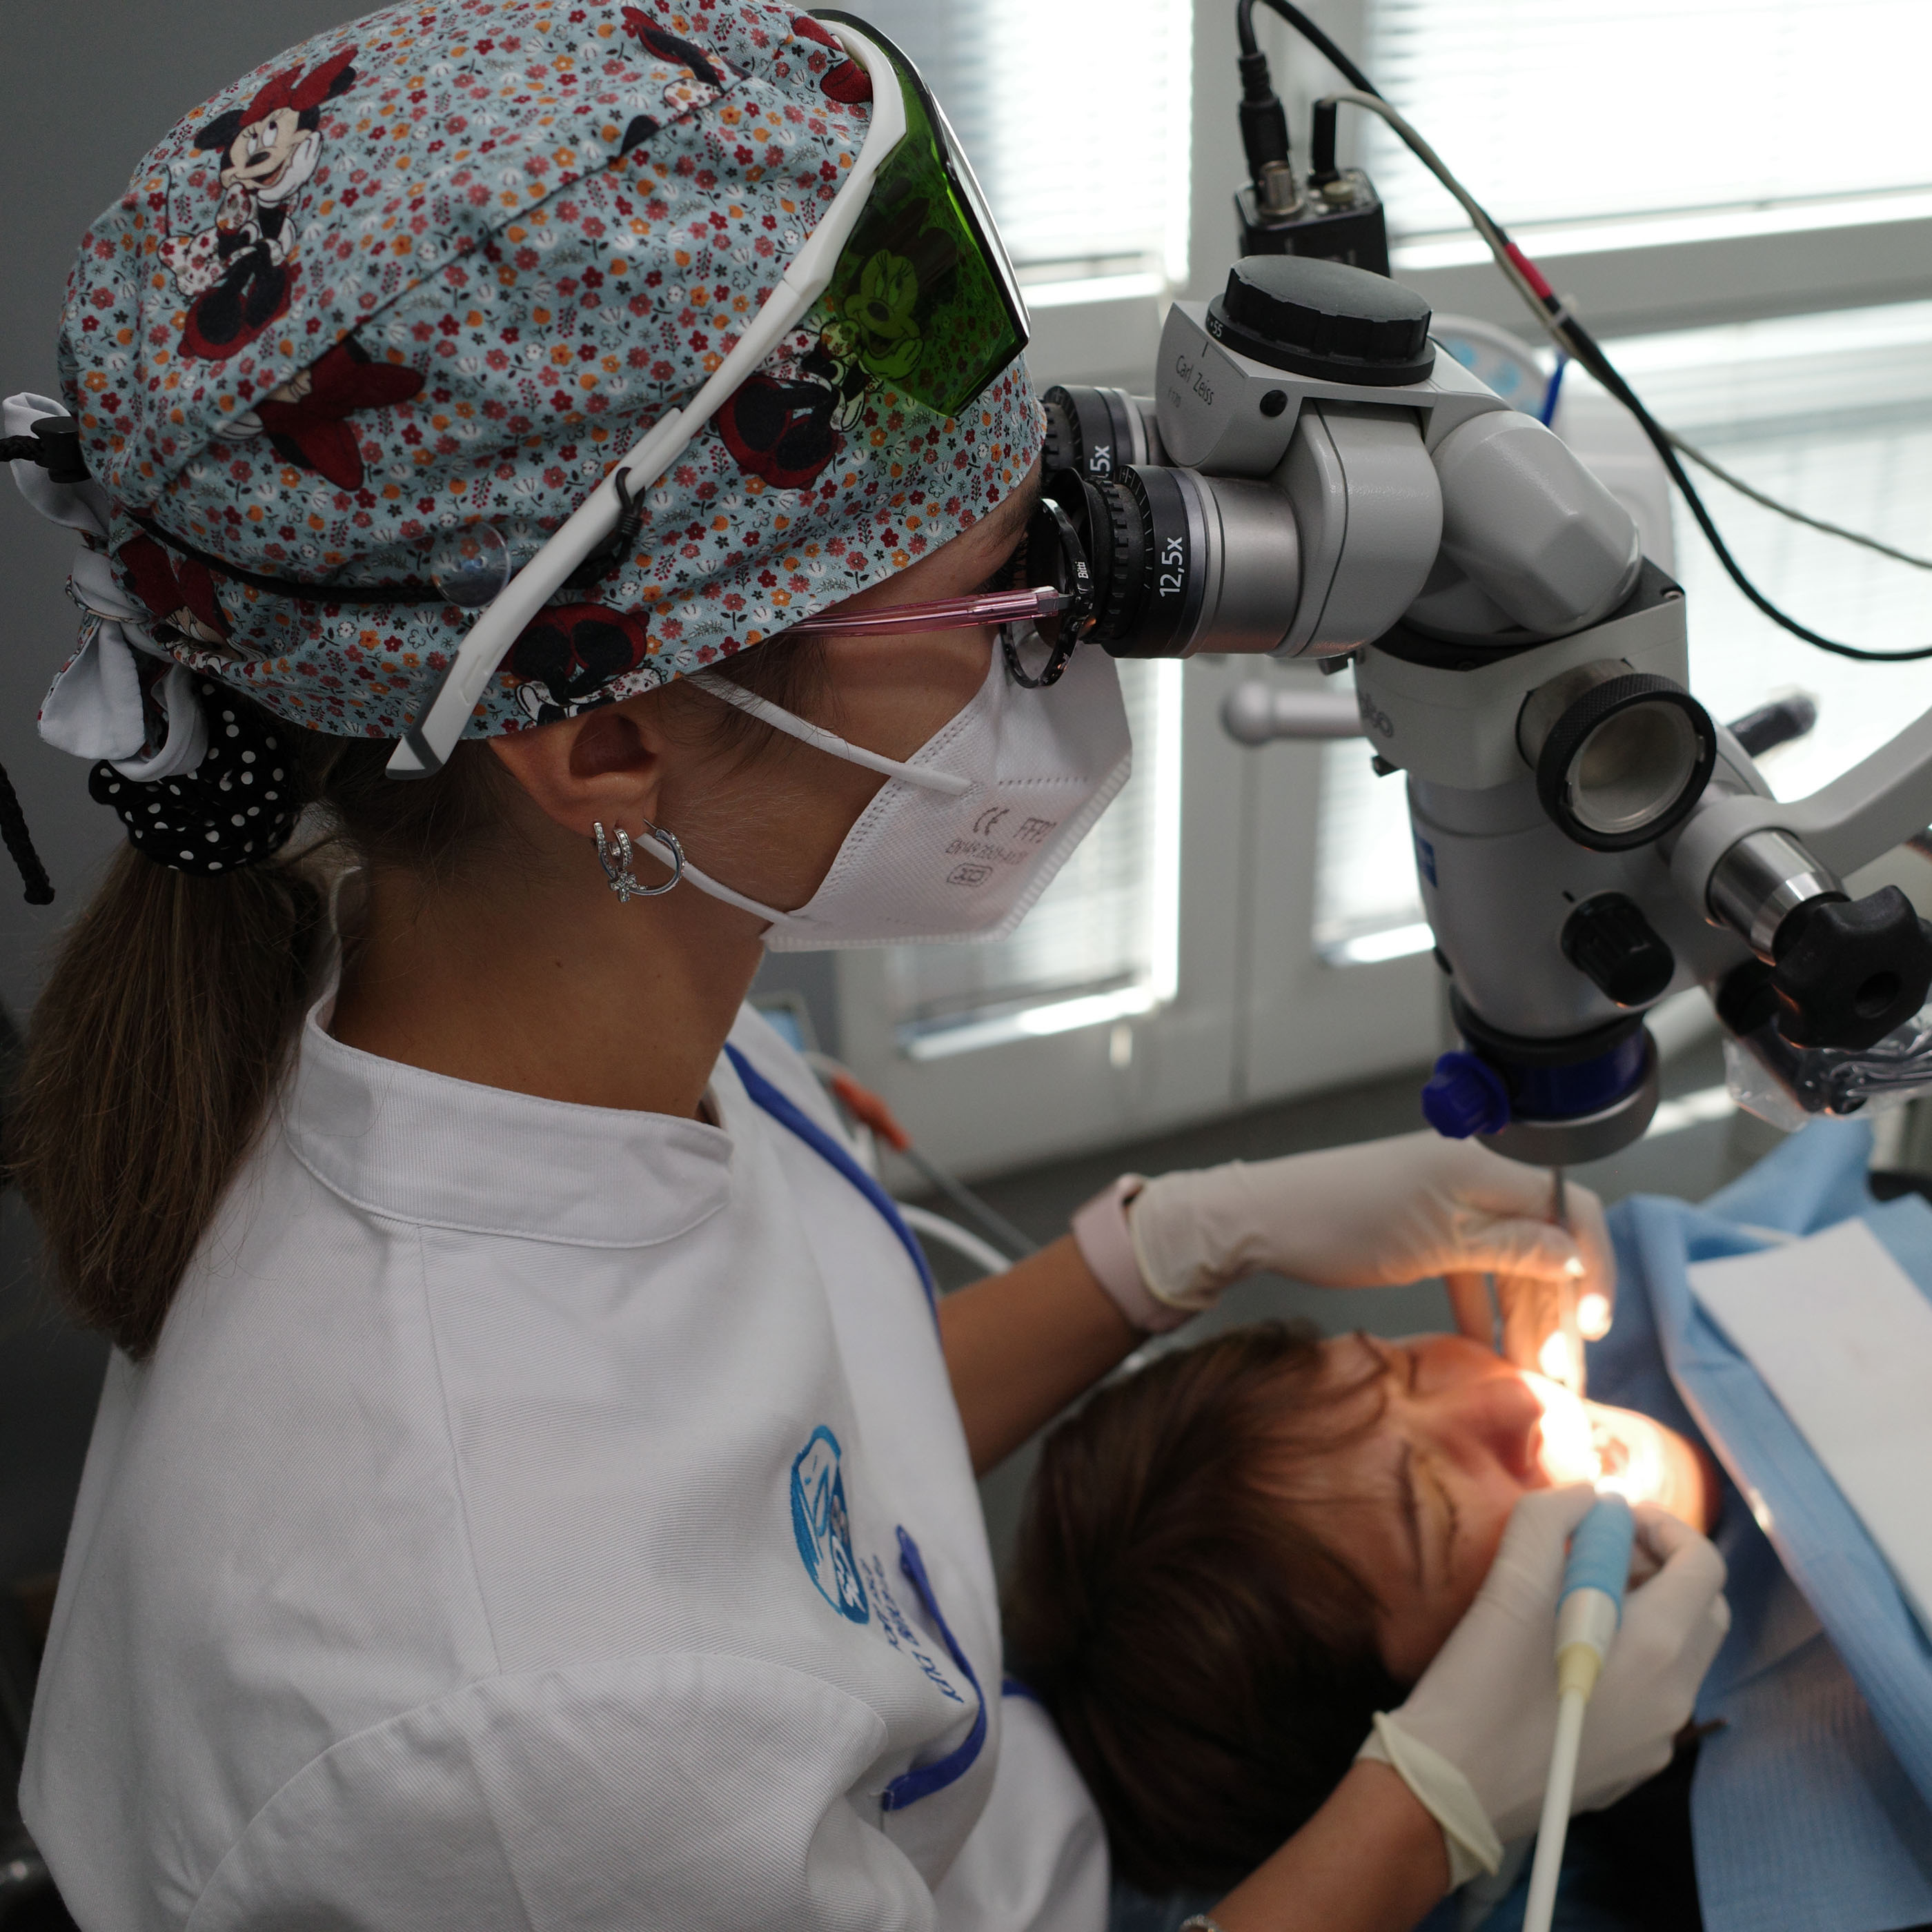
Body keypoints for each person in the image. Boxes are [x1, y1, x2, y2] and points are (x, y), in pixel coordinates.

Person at [1, 6, 1727, 1929]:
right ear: (601, 741)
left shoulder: (491, 987)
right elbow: (662, 1639)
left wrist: (1168, 1247)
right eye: (1005, 595)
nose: (1065, 643)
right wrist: (1435, 1800)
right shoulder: (512, 1719)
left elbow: (804, 1509)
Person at [1004, 1324, 1730, 1921]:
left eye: (1404, 1368)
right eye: (1440, 1513)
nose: (1517, 1406)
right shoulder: (1742, 1870)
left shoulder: (1640, 1304)